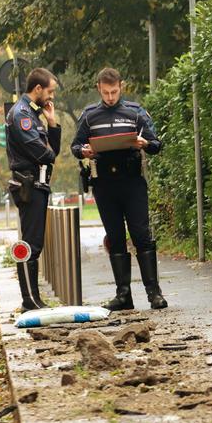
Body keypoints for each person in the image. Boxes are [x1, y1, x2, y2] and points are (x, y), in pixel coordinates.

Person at [71, 67, 167, 310]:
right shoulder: (90, 115)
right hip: (104, 184)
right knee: (115, 238)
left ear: (121, 87)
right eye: (106, 92)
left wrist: (145, 143)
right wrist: (84, 151)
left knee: (141, 235)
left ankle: (154, 293)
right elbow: (75, 146)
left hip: (132, 181)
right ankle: (123, 295)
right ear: (99, 89)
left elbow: (156, 143)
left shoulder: (135, 112)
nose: (110, 97)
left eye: (114, 92)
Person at [5, 68, 60, 311]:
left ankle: (34, 299)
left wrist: (52, 123)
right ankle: (29, 300)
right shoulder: (22, 114)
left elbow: (52, 153)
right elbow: (43, 153)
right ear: (37, 89)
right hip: (28, 184)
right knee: (30, 244)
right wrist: (47, 150)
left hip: (37, 184)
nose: (52, 97)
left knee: (34, 243)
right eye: (50, 91)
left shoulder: (33, 114)